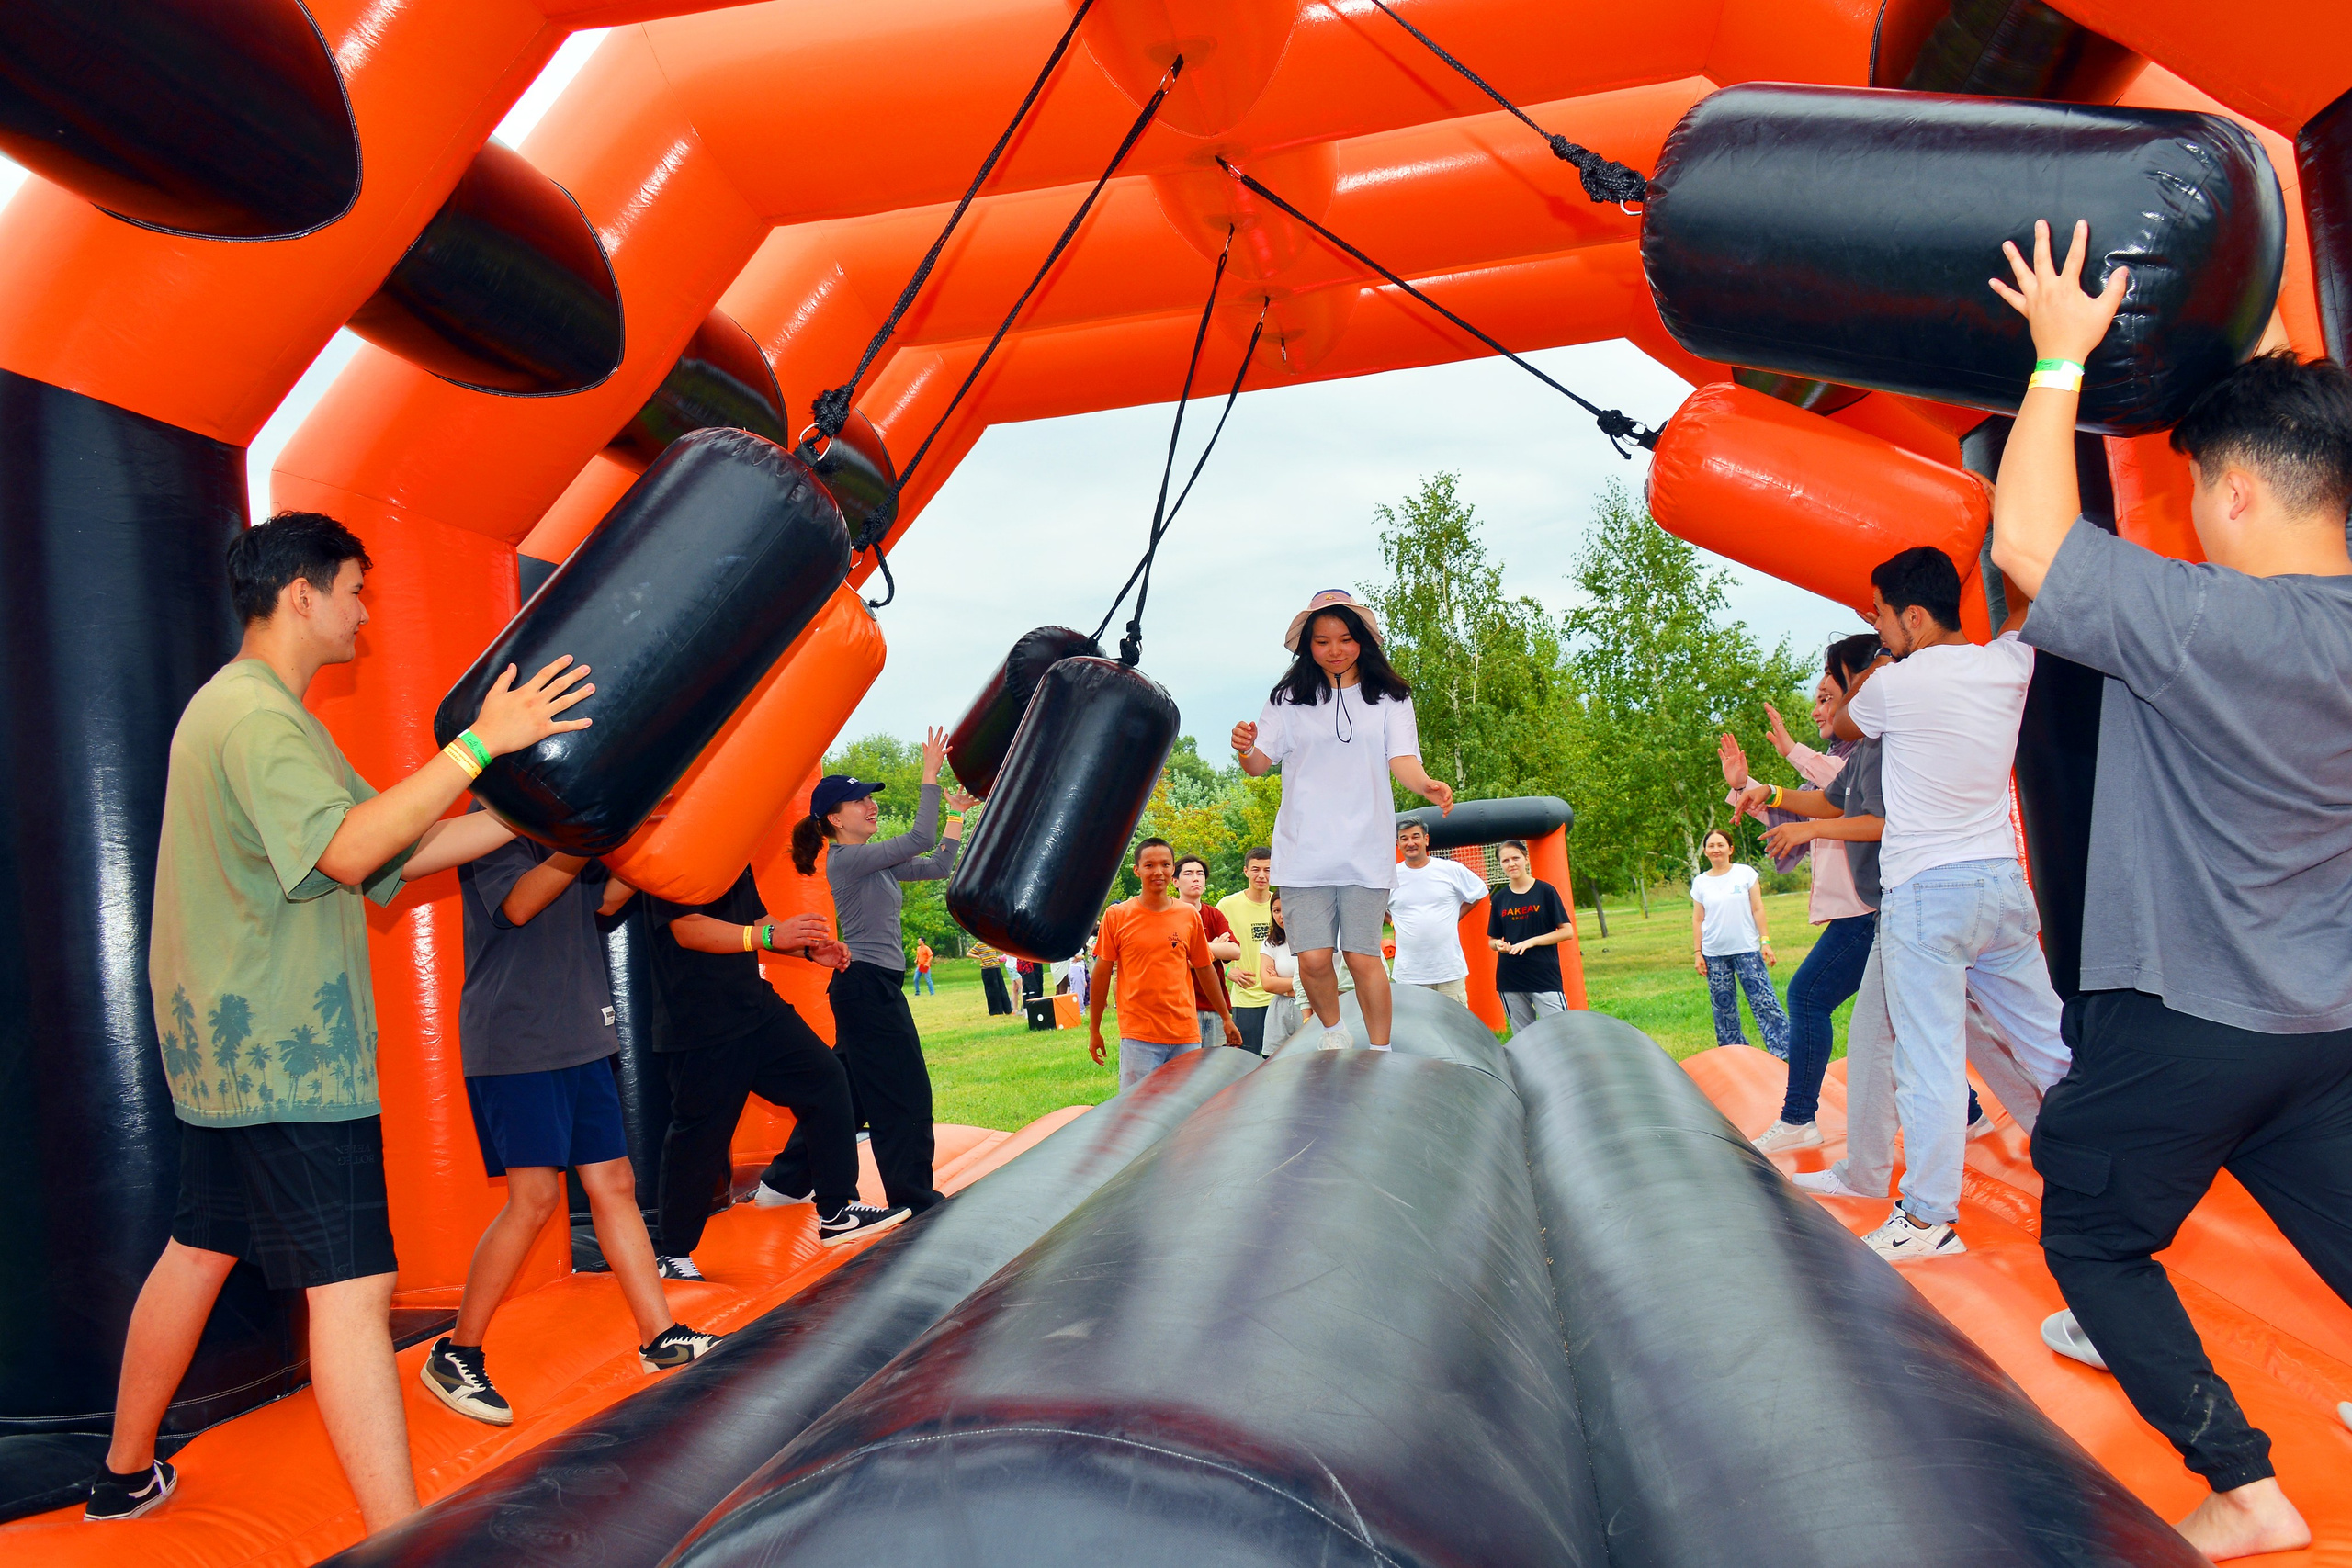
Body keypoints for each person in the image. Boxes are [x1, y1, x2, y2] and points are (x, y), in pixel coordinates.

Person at [90, 513, 591, 1528]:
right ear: (304, 593)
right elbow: (351, 853)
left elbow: (399, 840)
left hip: (232, 1058)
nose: (366, 615)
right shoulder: (258, 719)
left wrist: (553, 812)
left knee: (197, 1249)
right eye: (357, 591)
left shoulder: (260, 715)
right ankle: (402, 1541)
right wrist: (482, 740)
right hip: (286, 1052)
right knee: (357, 1290)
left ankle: (124, 1473)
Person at [1987, 219, 2352, 1560]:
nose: (2196, 509)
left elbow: (2029, 537)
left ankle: (2244, 1484)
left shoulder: (2212, 622)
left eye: (2206, 487)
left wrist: (2058, 358)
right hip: (2323, 1025)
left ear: (2240, 496)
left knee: (2089, 1222)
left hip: (2188, 1014)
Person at [420, 820, 721, 1427]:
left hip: (580, 1030)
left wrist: (639, 842)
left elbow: (603, 901)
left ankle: (659, 1335)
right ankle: (457, 1351)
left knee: (613, 1183)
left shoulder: (557, 829)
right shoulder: (492, 827)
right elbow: (521, 901)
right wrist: (584, 839)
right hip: (517, 1038)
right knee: (533, 1199)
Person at [1830, 545, 2070, 1265]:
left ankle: (1929, 1216)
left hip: (1927, 894)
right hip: (2000, 884)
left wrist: (1880, 653)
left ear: (1910, 616)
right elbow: (2030, 606)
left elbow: (1842, 724)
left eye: (1880, 615)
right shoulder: (2007, 662)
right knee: (2052, 1046)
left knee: (1930, 1061)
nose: (1876, 627)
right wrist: (2000, 545)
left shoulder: (1892, 685)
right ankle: (2111, 1171)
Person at [640, 866, 909, 1280]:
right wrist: (768, 938)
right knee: (700, 1138)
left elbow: (758, 920)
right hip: (699, 1023)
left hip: (755, 1009)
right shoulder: (679, 851)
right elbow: (687, 929)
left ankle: (837, 1209)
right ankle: (671, 1252)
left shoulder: (734, 848)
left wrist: (804, 948)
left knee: (826, 1079)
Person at [1230, 591, 1453, 1051]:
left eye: (1346, 639)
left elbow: (1403, 758)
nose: (1335, 649)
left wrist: (1426, 784)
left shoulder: (1392, 696)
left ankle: (1381, 1050)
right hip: (1303, 850)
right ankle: (1333, 1033)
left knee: (1361, 954)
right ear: (1307, 646)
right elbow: (1258, 765)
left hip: (1365, 847)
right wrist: (1245, 747)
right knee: (1312, 958)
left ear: (1363, 642)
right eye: (1322, 641)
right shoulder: (1287, 699)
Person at [787, 739, 973, 1216]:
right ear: (834, 818)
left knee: (844, 1094)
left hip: (868, 988)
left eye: (872, 798)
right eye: (861, 800)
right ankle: (913, 1197)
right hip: (866, 986)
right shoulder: (847, 860)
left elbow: (935, 865)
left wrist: (955, 814)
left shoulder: (875, 864)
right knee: (903, 1093)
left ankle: (785, 1180)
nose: (872, 806)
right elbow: (919, 839)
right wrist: (929, 774)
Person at [1720, 634, 1881, 1146]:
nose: (1817, 710)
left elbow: (1840, 797)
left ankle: (1798, 1120)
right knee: (1897, 1018)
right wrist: (1748, 789)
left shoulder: (1868, 750)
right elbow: (1809, 807)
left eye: (1827, 697)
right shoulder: (1842, 755)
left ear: (1862, 688)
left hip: (1868, 911)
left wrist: (1791, 753)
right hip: (1862, 912)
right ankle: (1970, 1112)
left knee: (1807, 995)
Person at [1088, 840, 1240, 1089]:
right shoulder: (1117, 916)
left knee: (1185, 1111)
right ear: (1137, 870)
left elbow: (1204, 968)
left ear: (1172, 871)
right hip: (1139, 1035)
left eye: (1165, 865)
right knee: (1136, 1111)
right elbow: (1102, 974)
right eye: (1149, 865)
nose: (1158, 872)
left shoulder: (1188, 915)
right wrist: (1095, 1030)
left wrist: (1225, 1017)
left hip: (1185, 1034)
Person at [1687, 828, 1790, 1055]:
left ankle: (1785, 1051)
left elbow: (1758, 908)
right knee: (1723, 1007)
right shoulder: (1701, 882)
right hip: (1714, 954)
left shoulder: (1746, 874)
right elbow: (1697, 919)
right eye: (1711, 846)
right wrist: (1697, 952)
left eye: (1720, 845)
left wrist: (1765, 942)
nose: (1716, 849)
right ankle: (1734, 1054)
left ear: (1730, 849)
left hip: (1747, 950)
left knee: (1764, 1001)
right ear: (1705, 851)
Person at [1389, 819, 1488, 1005]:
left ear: (1426, 840)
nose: (1410, 843)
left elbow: (1479, 891)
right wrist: (1393, 922)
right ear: (1398, 844)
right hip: (1410, 972)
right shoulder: (1390, 876)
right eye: (1404, 838)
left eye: (1415, 837)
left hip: (1448, 969)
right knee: (1418, 1026)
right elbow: (1374, 908)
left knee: (1456, 1025)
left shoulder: (1450, 869)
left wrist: (1454, 917)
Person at [1486, 840, 1575, 1032]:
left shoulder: (1545, 891)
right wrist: (1498, 946)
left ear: (1526, 859)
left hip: (1544, 975)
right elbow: (1492, 940)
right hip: (1510, 978)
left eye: (1516, 858)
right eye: (1505, 860)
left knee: (1561, 1032)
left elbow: (1567, 931)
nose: (1511, 864)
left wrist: (1532, 942)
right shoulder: (1500, 898)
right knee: (1524, 1038)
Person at [1175, 853, 1245, 1049]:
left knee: (1215, 1071)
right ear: (1175, 882)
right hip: (1183, 1009)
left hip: (1216, 1008)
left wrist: (1198, 950)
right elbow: (1174, 962)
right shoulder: (1169, 915)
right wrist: (1215, 948)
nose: (1196, 878)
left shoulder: (1213, 915)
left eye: (1200, 873)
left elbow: (1234, 951)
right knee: (1186, 1071)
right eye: (1188, 874)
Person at [1216, 847, 1276, 1053]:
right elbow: (1206, 948)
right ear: (1245, 871)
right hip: (1246, 999)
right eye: (1256, 869)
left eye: (1268, 870)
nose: (1261, 875)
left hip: (1280, 996)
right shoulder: (1227, 905)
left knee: (1278, 1063)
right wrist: (1227, 971)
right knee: (1245, 1064)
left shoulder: (1282, 904)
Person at [1255, 891, 1305, 1047]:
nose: (1281, 916)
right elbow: (1268, 984)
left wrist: (1283, 985)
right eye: (1276, 911)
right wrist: (1300, 985)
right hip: (1280, 1012)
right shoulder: (1270, 943)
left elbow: (1322, 981)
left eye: (1286, 909)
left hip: (1310, 1009)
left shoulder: (1314, 941)